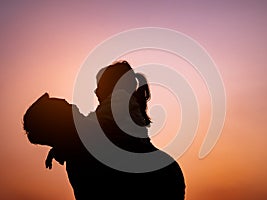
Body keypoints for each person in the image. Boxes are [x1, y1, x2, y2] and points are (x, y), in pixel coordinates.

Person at [23, 60, 185, 199]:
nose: (70, 103)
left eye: (99, 86)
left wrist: (61, 147)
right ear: (58, 122)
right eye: (63, 105)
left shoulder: (117, 104)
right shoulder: (85, 144)